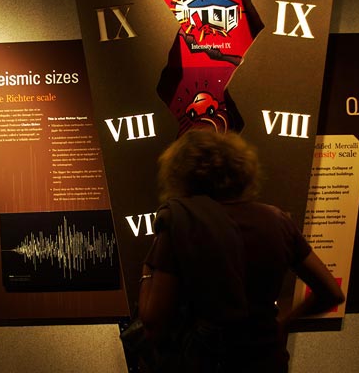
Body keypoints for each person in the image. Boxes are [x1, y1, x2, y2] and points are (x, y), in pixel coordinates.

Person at [137, 128, 345, 372]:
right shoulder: (276, 220)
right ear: (241, 169)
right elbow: (331, 293)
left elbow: (153, 325)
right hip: (267, 361)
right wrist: (284, 321)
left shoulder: (180, 223)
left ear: (182, 174)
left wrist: (148, 269)